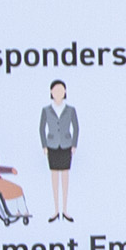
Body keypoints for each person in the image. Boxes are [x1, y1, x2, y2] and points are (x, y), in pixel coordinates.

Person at [41, 80, 80, 220]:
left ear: (65, 92)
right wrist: (44, 146)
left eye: (61, 90)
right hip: (52, 146)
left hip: (66, 145)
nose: (58, 93)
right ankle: (56, 210)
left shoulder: (70, 110)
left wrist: (74, 144)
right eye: (56, 90)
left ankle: (65, 210)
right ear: (51, 92)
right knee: (54, 178)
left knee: (65, 177)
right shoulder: (46, 110)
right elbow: (41, 128)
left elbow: (76, 127)